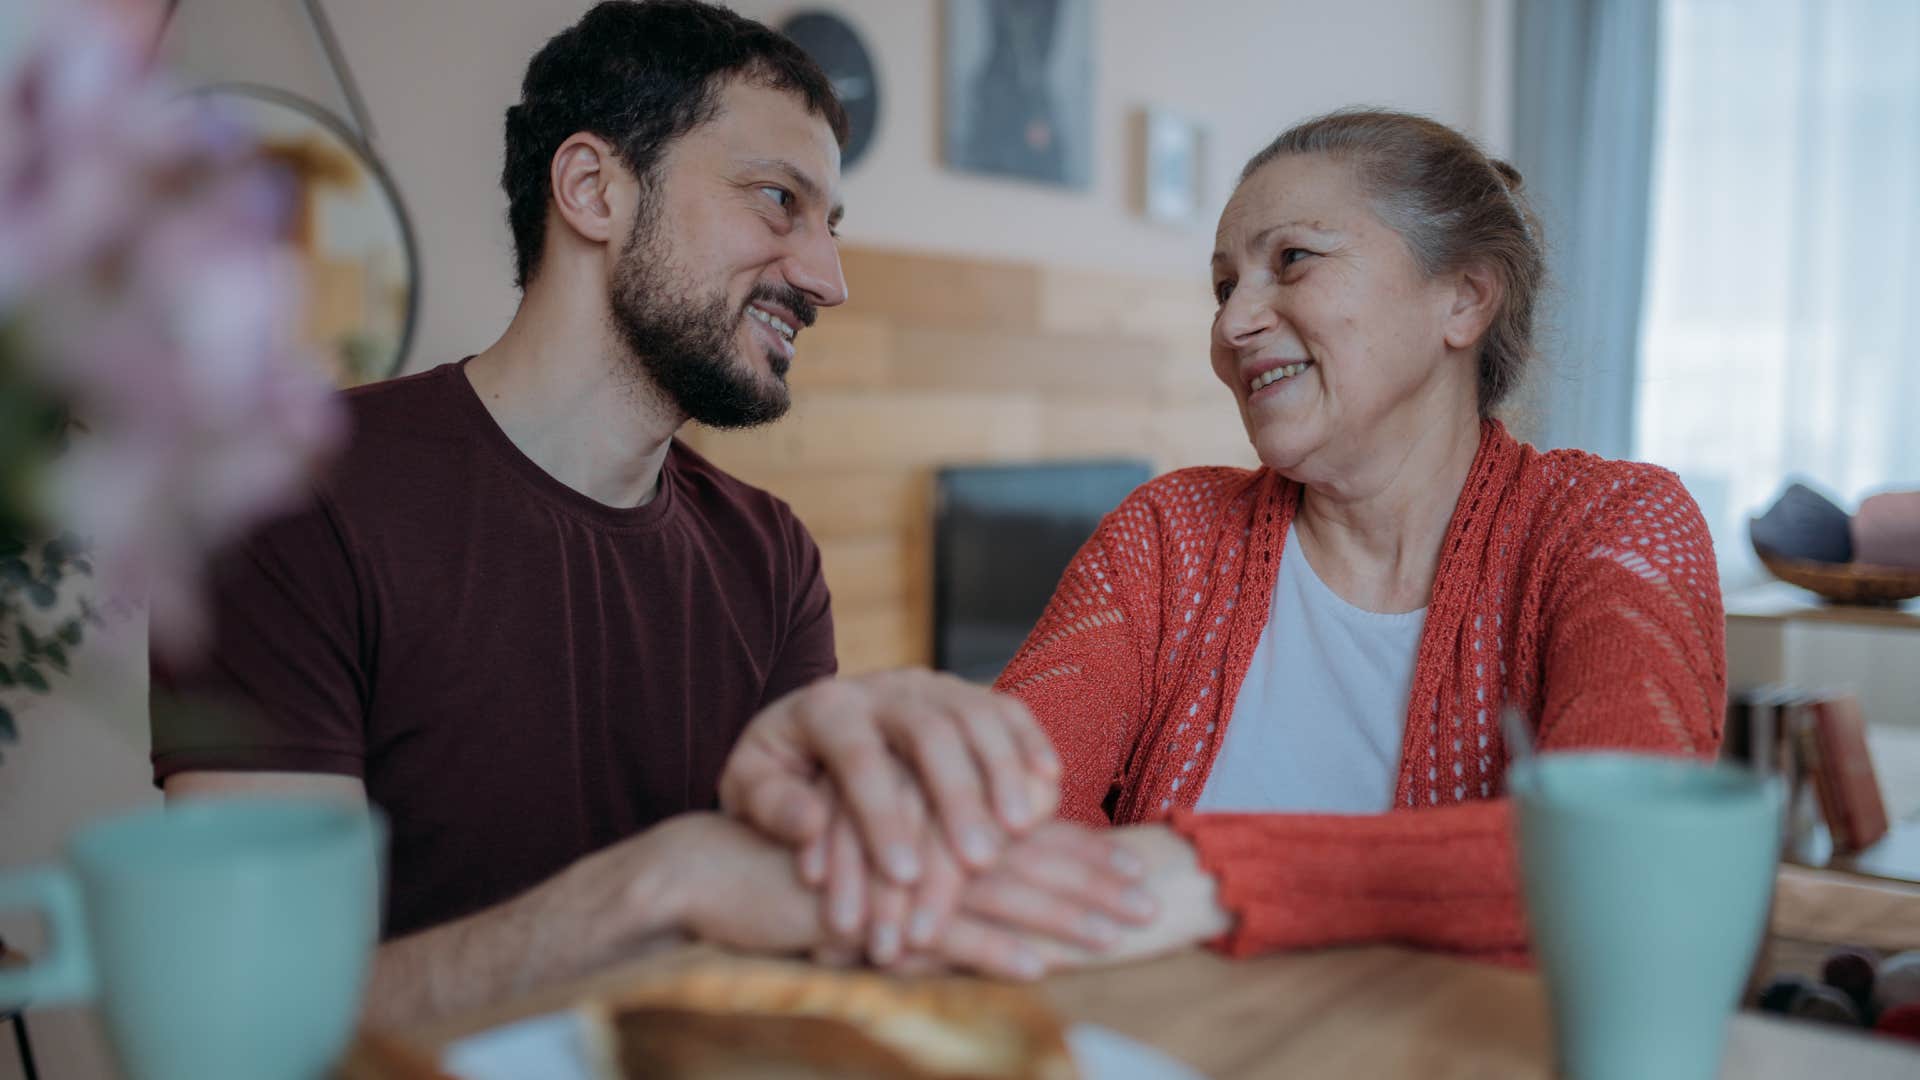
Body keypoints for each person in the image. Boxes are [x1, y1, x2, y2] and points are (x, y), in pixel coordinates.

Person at [150, 0, 1145, 1025]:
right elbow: (247, 1026)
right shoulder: (285, 500)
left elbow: (785, 938)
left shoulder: (773, 560)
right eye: (777, 201)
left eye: (829, 226)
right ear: (593, 189)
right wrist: (656, 886)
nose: (829, 280)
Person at [741, 108, 1727, 973]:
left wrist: (1206, 872)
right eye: (1222, 287)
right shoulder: (1168, 534)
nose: (1236, 324)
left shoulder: (1616, 527)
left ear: (1463, 297)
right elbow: (1003, 811)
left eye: (1291, 260)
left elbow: (1624, 865)